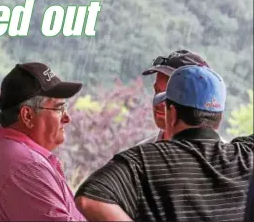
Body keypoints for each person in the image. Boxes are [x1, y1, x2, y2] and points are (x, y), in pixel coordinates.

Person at [75, 65, 254, 221]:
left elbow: (88, 199)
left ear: (172, 114)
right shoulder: (246, 155)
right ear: (220, 117)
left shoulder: (141, 162)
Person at [0, 62, 86, 221]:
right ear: (28, 116)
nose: (67, 118)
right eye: (58, 109)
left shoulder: (10, 154)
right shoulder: (28, 167)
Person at [139, 49, 227, 144]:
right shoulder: (138, 153)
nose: (158, 103)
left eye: (171, 94)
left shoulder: (228, 157)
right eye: (157, 91)